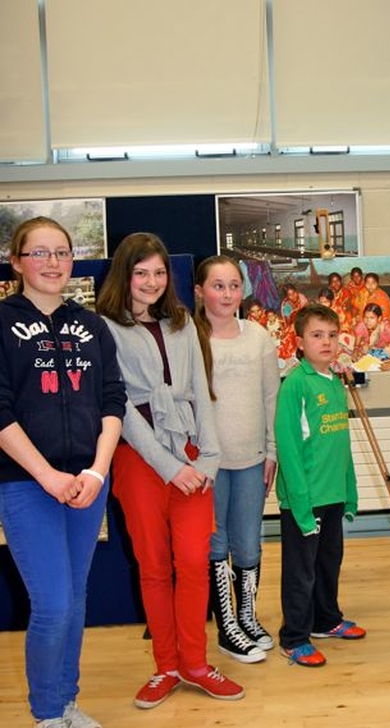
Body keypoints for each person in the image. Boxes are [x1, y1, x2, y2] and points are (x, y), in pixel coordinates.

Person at [96, 233, 244, 709]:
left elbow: (202, 392)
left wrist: (208, 459)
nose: (152, 282)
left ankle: (196, 664)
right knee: (155, 567)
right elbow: (118, 406)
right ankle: (166, 666)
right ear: (125, 275)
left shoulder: (183, 323)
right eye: (141, 273)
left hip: (192, 450)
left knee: (194, 562)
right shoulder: (105, 327)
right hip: (140, 458)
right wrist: (167, 467)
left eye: (159, 273)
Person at [0, 217, 126, 728]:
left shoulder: (93, 325)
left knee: (75, 600)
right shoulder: (2, 323)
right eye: (40, 253)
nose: (53, 263)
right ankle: (47, 714)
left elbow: (113, 401)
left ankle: (68, 702)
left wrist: (97, 472)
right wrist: (48, 475)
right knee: (51, 602)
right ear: (17, 262)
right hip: (27, 483)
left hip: (88, 483)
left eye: (62, 252)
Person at [193, 255, 280, 664]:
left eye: (233, 285)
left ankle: (247, 616)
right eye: (218, 285)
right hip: (209, 464)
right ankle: (226, 625)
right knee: (217, 541)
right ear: (200, 291)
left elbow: (270, 398)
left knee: (248, 542)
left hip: (251, 458)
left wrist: (272, 450)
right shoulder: (189, 338)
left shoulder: (259, 337)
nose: (227, 294)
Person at [275, 303, 366, 667]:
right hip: (306, 499)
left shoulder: (335, 381)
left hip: (332, 494)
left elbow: (340, 443)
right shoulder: (295, 385)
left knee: (330, 561)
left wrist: (350, 492)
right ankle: (294, 636)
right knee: (301, 571)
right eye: (317, 336)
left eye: (331, 335)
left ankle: (325, 620)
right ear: (300, 342)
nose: (326, 342)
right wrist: (300, 504)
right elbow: (289, 447)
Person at [352, 303, 390, 371]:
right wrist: (355, 350)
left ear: (379, 318)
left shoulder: (387, 330)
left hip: (387, 349)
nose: (368, 321)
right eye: (366, 317)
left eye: (372, 318)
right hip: (373, 351)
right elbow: (356, 345)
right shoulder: (362, 326)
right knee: (364, 349)